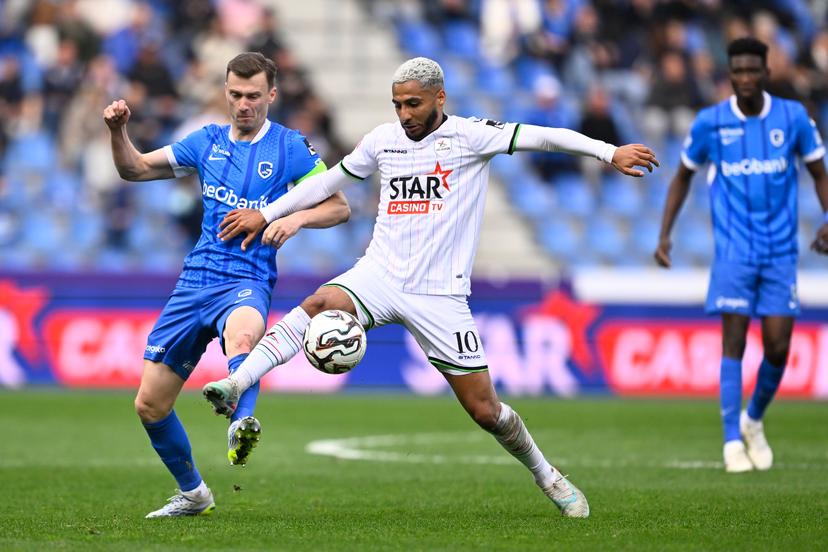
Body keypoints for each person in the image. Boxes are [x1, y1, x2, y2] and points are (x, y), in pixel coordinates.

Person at [203, 56, 658, 518]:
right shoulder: (383, 141)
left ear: (440, 97)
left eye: (414, 104)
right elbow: (329, 183)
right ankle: (237, 382)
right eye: (397, 105)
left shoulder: (470, 136)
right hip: (379, 274)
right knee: (320, 302)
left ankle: (548, 475)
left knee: (486, 411)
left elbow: (542, 136)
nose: (404, 114)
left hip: (439, 295)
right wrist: (268, 213)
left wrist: (608, 152)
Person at [104, 52, 350, 517]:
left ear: (271, 94)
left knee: (243, 337)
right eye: (236, 94)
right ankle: (194, 494)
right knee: (149, 405)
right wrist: (118, 132)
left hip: (247, 277)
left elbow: (339, 207)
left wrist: (294, 219)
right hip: (194, 281)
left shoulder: (290, 147)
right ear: (226, 93)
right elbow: (133, 168)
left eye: (253, 95)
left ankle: (241, 423)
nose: (244, 104)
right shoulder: (206, 141)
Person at [654, 37, 828, 473]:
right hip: (733, 252)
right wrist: (665, 235)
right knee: (733, 341)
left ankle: (753, 419)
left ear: (766, 72)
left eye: (753, 70)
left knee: (778, 347)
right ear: (729, 75)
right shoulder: (710, 123)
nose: (746, 78)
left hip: (781, 252)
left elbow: (819, 173)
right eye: (738, 71)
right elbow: (682, 177)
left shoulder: (793, 118)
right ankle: (732, 439)